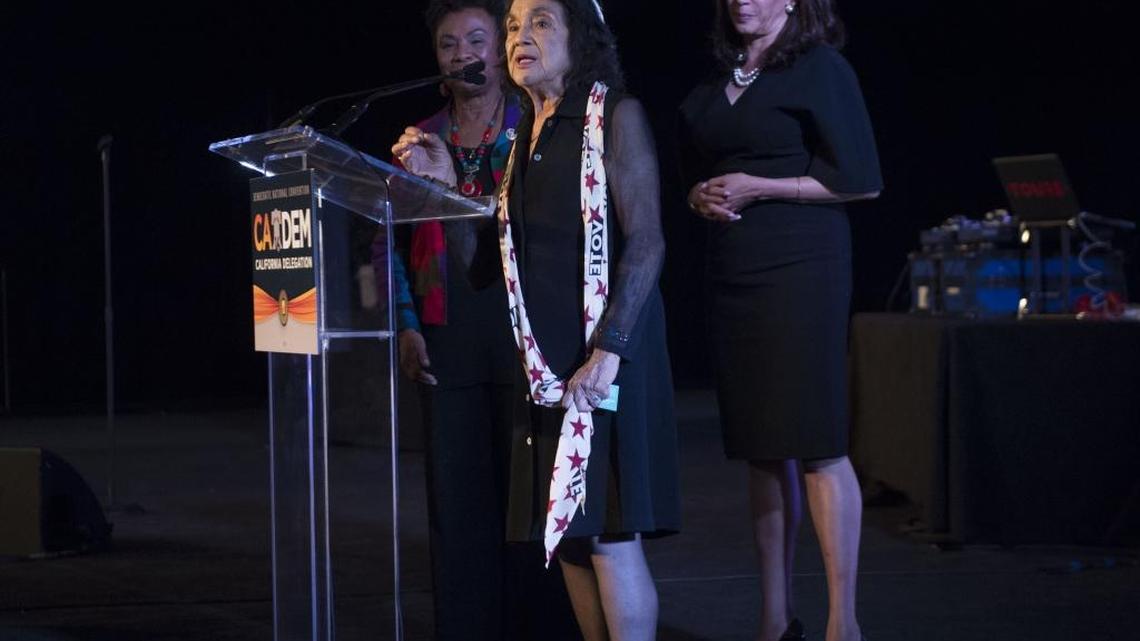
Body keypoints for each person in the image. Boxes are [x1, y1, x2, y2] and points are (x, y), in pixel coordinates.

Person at [392, 1, 680, 639]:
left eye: (541, 22)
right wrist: (446, 192)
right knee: (569, 542)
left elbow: (649, 241)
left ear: (582, 35)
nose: (522, 37)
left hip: (604, 364)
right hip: (547, 371)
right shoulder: (528, 132)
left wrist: (610, 351)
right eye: (516, 25)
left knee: (606, 536)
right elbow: (484, 271)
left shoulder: (614, 115)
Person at [371, 2, 576, 639]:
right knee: (458, 504)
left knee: (527, 496)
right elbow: (390, 242)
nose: (463, 54)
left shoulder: (533, 126)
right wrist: (405, 323)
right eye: (448, 45)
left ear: (500, 51)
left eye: (477, 40)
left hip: (524, 331)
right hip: (446, 330)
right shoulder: (420, 137)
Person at [678, 2, 882, 641]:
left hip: (803, 265)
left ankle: (840, 622)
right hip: (735, 270)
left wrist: (760, 187)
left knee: (817, 440)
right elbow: (696, 172)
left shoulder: (821, 69)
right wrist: (698, 193)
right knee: (761, 447)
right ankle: (772, 618)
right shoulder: (720, 82)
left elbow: (860, 181)